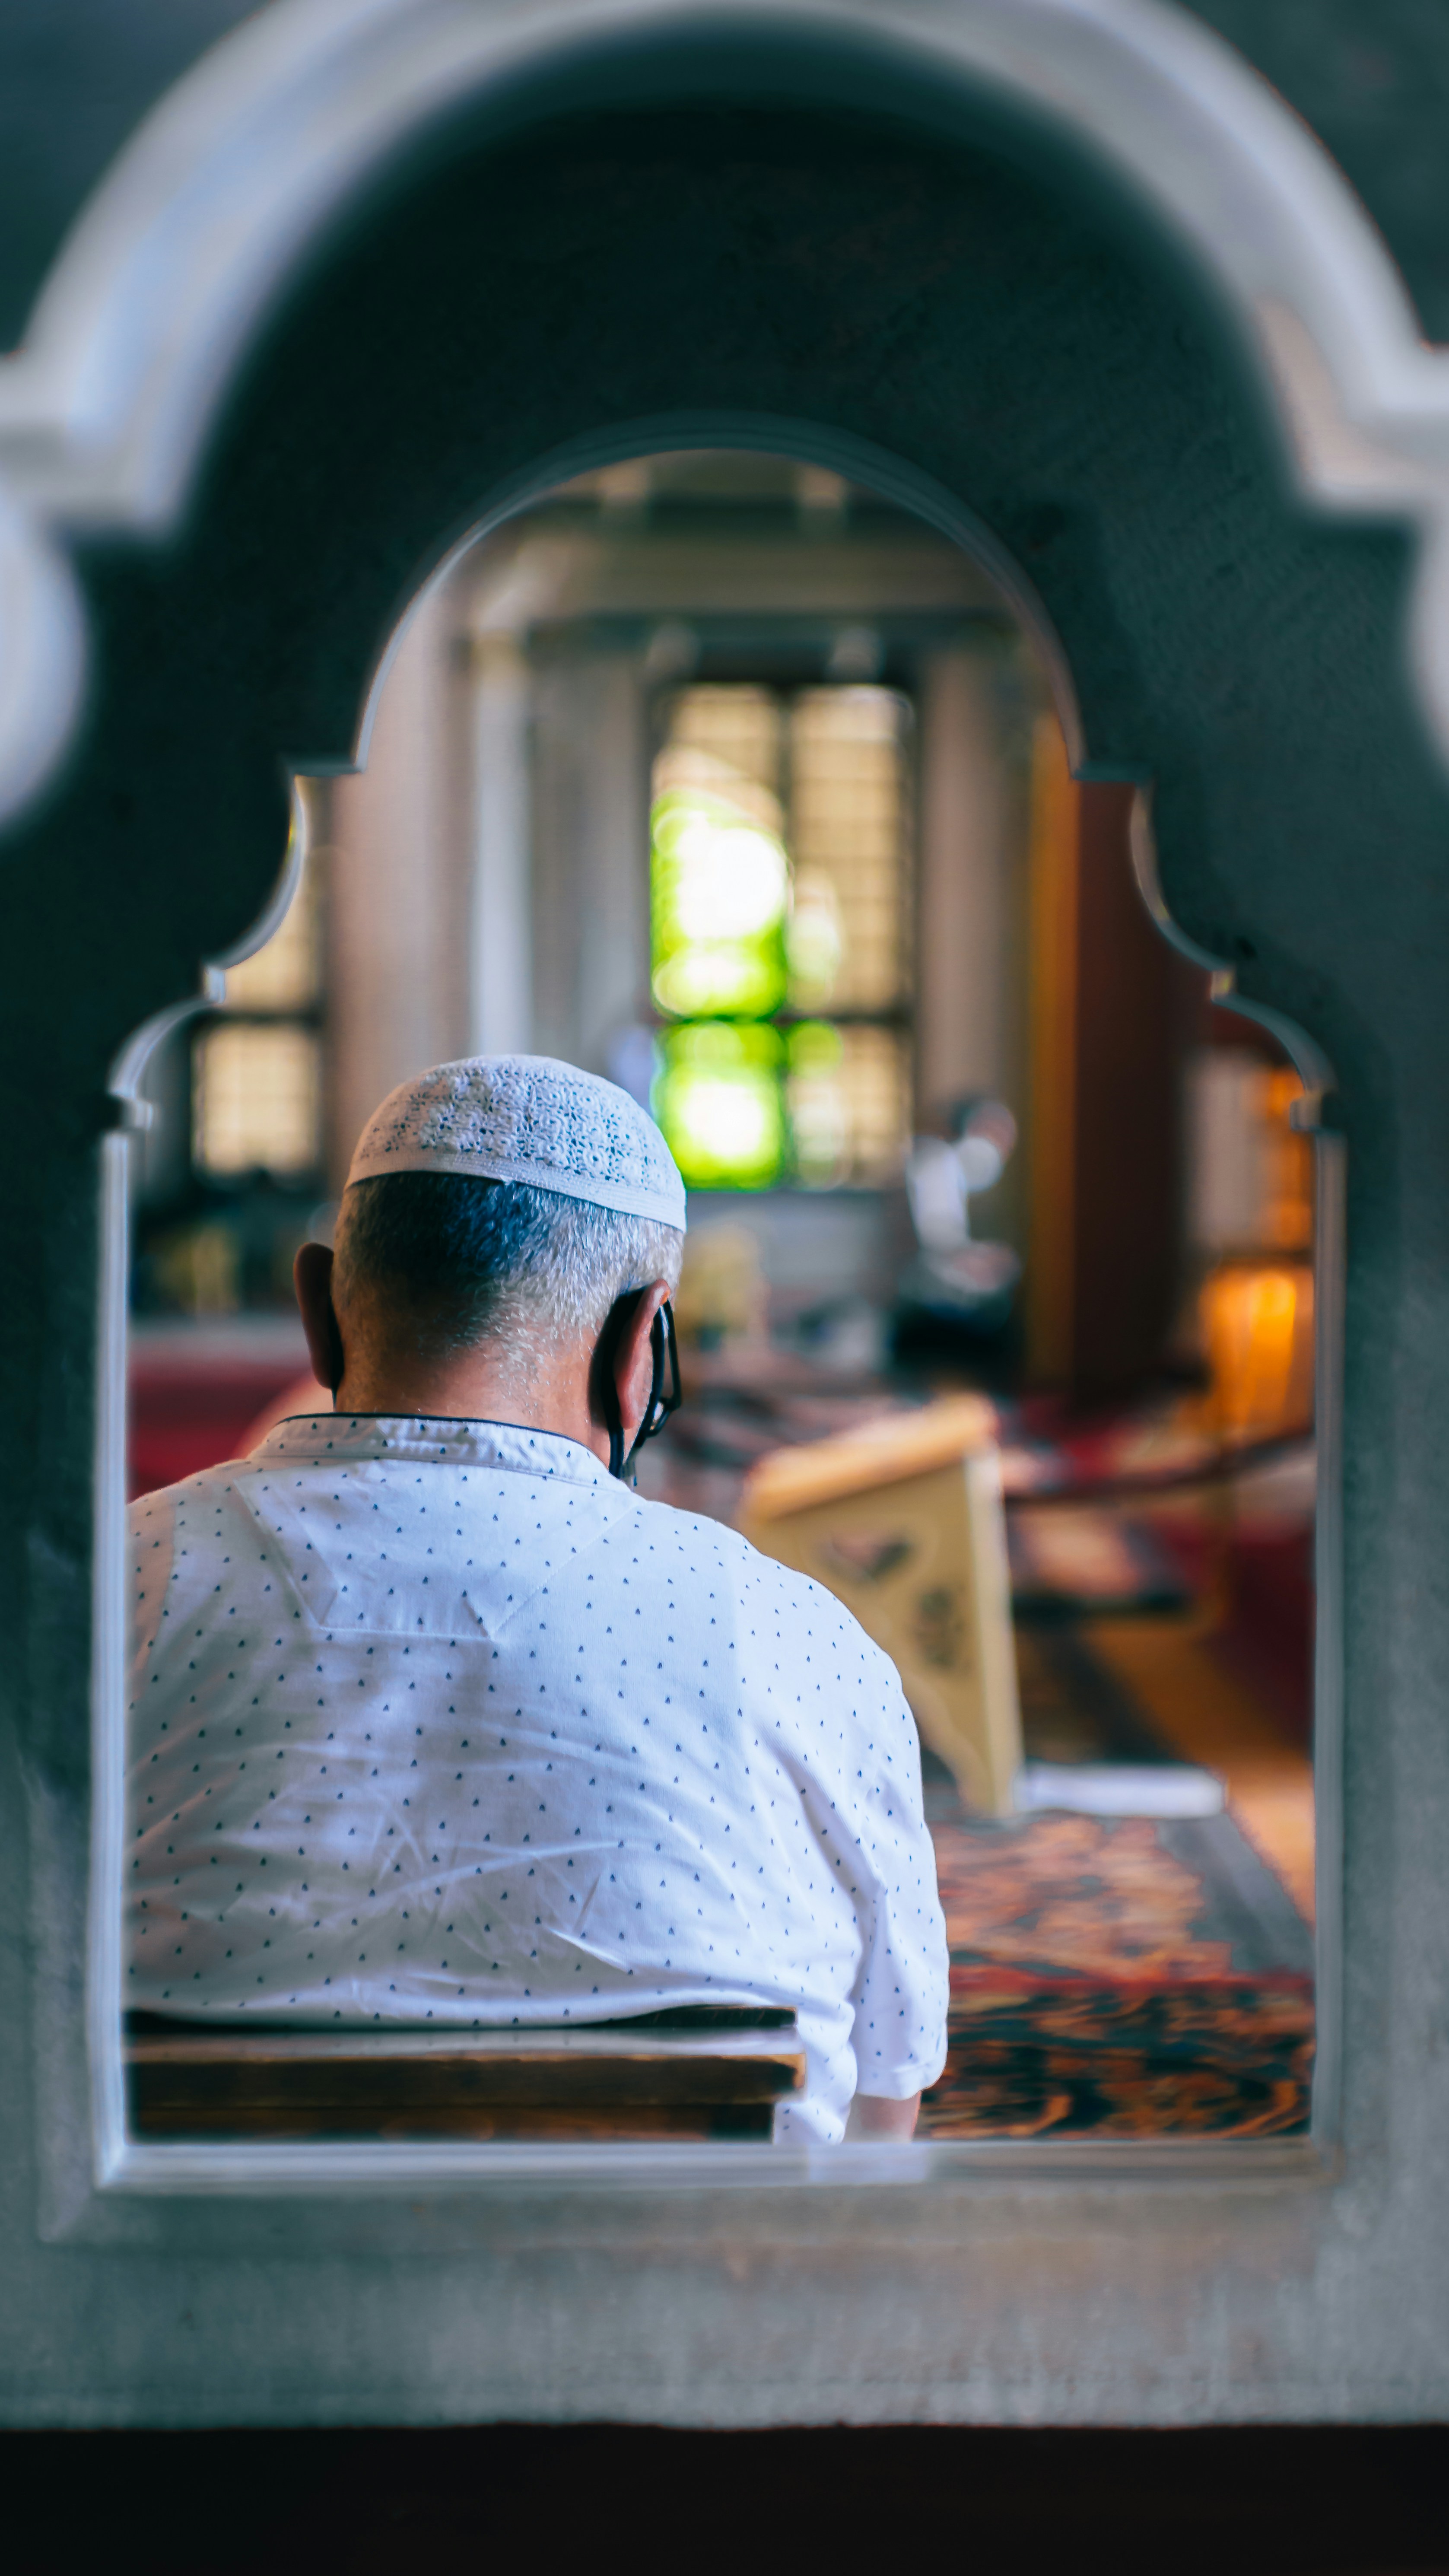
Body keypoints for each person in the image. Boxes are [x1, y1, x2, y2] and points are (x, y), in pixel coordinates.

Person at [126, 1055, 948, 2141]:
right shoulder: (794, 1633)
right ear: (637, 1350)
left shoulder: (111, 1583)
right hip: (706, 2297)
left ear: (321, 1309)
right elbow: (887, 2096)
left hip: (185, 2299)